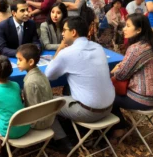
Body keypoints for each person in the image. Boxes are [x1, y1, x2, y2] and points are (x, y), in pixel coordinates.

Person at [45, 17, 115, 153]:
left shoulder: (67, 53)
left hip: (88, 112)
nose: (62, 34)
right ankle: (77, 131)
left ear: (74, 32)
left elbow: (49, 75)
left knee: (45, 103)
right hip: (109, 108)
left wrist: (59, 49)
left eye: (64, 30)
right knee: (69, 88)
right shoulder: (98, 47)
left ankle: (62, 142)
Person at [109, 14, 153, 141]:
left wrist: (114, 71)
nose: (124, 29)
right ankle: (121, 124)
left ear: (139, 30)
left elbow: (122, 75)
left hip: (143, 99)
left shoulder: (136, 48)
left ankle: (119, 128)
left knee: (106, 97)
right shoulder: (152, 44)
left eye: (128, 26)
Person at [17, 43, 54, 129]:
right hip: (50, 117)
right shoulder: (41, 73)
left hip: (38, 122)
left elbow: (32, 109)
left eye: (20, 60)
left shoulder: (30, 83)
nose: (17, 63)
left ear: (30, 62)